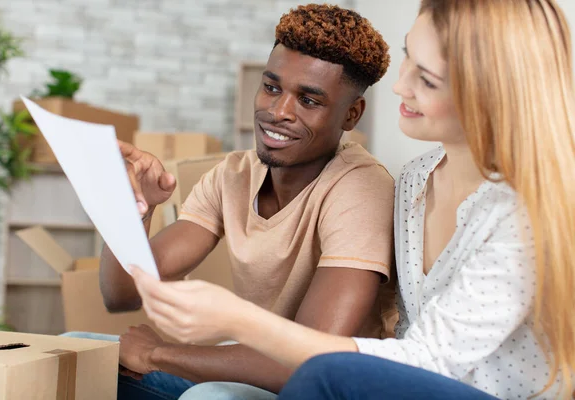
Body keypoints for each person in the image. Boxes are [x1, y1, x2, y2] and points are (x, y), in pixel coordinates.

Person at [130, 0, 575, 399]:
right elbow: (122, 290)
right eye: (407, 59)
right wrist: (128, 203)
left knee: (316, 378)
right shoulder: (417, 179)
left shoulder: (524, 216)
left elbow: (429, 359)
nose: (400, 86)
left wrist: (236, 322)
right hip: (409, 385)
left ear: (489, 95)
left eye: (427, 79)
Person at [66, 4, 398, 400]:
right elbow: (123, 294)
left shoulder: (361, 190)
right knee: (76, 353)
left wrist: (158, 354)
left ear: (351, 114)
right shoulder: (234, 175)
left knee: (205, 397)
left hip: (325, 389)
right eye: (272, 87)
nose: (278, 112)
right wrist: (131, 208)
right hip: (253, 369)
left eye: (309, 100)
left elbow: (311, 360)